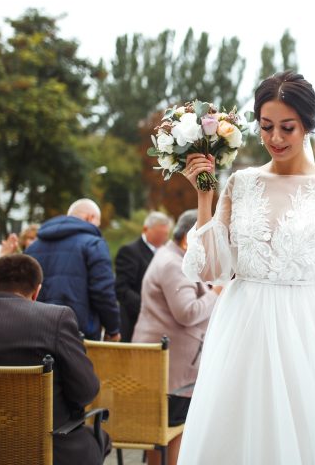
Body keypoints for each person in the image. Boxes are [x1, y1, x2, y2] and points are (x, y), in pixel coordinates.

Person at [177, 71, 315, 464]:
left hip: (302, 330)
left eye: (287, 127)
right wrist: (205, 197)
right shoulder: (241, 182)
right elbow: (212, 269)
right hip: (241, 326)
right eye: (266, 127)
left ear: (307, 126)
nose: (275, 138)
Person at [0, 254, 109, 465]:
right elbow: (86, 391)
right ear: (36, 292)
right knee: (99, 438)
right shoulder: (56, 319)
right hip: (45, 449)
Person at [132, 209, 218, 465]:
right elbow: (187, 312)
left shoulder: (169, 255)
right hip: (172, 371)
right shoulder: (175, 264)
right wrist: (217, 292)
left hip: (168, 364)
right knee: (174, 432)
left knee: (165, 433)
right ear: (189, 238)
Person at [26, 198, 120, 341]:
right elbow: (103, 291)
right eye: (98, 224)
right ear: (90, 218)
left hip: (37, 331)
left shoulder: (32, 248)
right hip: (78, 333)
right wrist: (113, 329)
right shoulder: (93, 244)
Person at [115, 211, 172, 342]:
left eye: (166, 234)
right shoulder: (129, 252)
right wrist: (148, 307)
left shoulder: (167, 254)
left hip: (163, 327)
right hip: (135, 323)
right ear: (146, 229)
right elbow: (121, 289)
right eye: (160, 234)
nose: (164, 238)